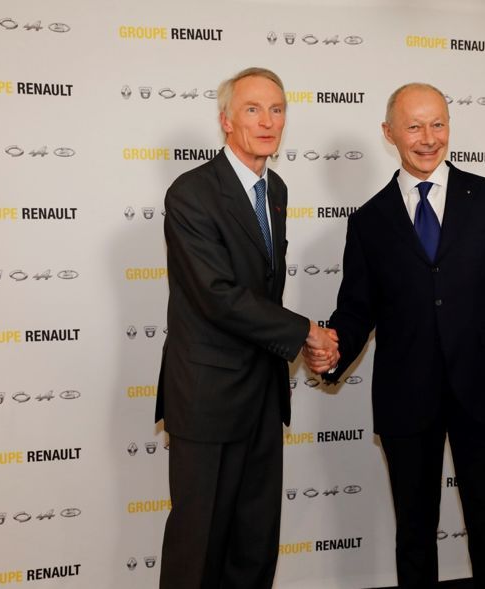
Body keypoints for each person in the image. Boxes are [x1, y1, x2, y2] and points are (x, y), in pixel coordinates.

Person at [305, 82, 485, 588]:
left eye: (437, 124)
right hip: (405, 396)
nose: (428, 138)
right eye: (414, 126)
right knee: (414, 533)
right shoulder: (369, 221)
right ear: (389, 132)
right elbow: (356, 309)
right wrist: (331, 351)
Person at [155, 67, 338, 589]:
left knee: (255, 545)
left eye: (277, 110)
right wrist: (307, 332)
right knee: (199, 549)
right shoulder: (191, 192)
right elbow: (217, 295)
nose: (267, 121)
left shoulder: (274, 188)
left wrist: (300, 340)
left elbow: (262, 291)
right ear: (226, 121)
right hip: (208, 396)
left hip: (263, 392)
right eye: (253, 110)